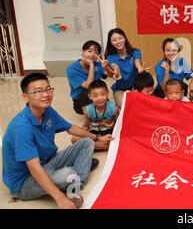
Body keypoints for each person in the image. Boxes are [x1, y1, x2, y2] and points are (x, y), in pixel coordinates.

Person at [2, 73, 112, 208]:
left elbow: (71, 128)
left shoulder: (47, 111)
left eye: (48, 89)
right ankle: (72, 177)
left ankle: (76, 180)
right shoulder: (21, 127)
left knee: (86, 143)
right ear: (25, 96)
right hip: (24, 182)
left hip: (48, 161)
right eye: (38, 91)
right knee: (69, 174)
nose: (46, 94)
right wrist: (60, 199)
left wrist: (98, 137)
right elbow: (34, 168)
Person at [71, 81, 118, 151]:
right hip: (95, 134)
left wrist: (115, 136)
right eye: (95, 96)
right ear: (90, 96)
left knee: (120, 139)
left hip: (109, 133)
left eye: (102, 94)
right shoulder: (87, 110)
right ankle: (98, 145)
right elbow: (86, 126)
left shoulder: (114, 108)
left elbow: (118, 124)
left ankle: (93, 145)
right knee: (74, 138)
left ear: (107, 93)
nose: (99, 98)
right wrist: (81, 133)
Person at [104, 28, 144, 108]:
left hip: (135, 87)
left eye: (120, 38)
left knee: (138, 105)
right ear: (111, 43)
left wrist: (140, 68)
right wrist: (115, 71)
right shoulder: (110, 56)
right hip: (120, 89)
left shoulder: (135, 51)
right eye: (114, 40)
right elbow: (114, 66)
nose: (118, 41)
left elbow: (137, 62)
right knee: (125, 107)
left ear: (125, 38)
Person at [66, 40, 108, 115]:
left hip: (96, 96)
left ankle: (101, 112)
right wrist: (91, 65)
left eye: (96, 52)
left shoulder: (98, 64)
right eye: (89, 51)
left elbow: (109, 74)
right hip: (81, 101)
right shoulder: (71, 70)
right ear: (83, 52)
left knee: (101, 86)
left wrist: (107, 67)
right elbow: (88, 86)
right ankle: (93, 115)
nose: (92, 54)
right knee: (89, 91)